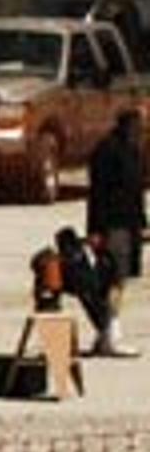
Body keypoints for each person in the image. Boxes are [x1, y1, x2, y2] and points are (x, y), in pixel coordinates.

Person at [87, 105, 144, 351]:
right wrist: (95, 230)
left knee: (118, 278)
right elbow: (97, 194)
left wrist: (142, 224)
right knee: (114, 279)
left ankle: (105, 334)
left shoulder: (133, 150)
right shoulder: (108, 151)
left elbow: (137, 192)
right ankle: (111, 332)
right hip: (112, 224)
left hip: (129, 224)